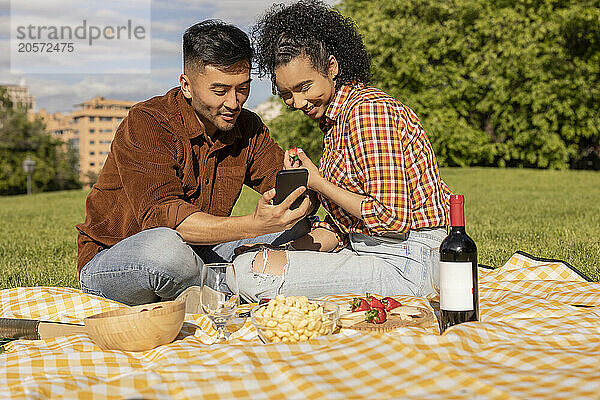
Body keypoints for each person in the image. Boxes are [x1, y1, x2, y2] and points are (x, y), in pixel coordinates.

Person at [76, 20, 318, 306]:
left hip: (204, 252)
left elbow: (293, 195)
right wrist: (254, 226)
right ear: (187, 86)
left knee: (305, 229)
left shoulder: (248, 126)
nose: (234, 102)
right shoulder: (147, 122)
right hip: (122, 260)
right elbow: (165, 218)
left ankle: (218, 285)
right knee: (167, 251)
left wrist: (299, 193)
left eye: (243, 88)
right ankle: (236, 284)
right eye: (220, 91)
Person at [232, 0, 451, 302]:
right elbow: (338, 228)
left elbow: (391, 219)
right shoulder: (336, 124)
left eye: (304, 86)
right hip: (370, 251)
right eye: (287, 94)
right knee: (252, 262)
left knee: (250, 274)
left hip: (410, 263)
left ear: (332, 67)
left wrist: (318, 182)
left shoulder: (369, 112)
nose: (298, 102)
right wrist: (278, 252)